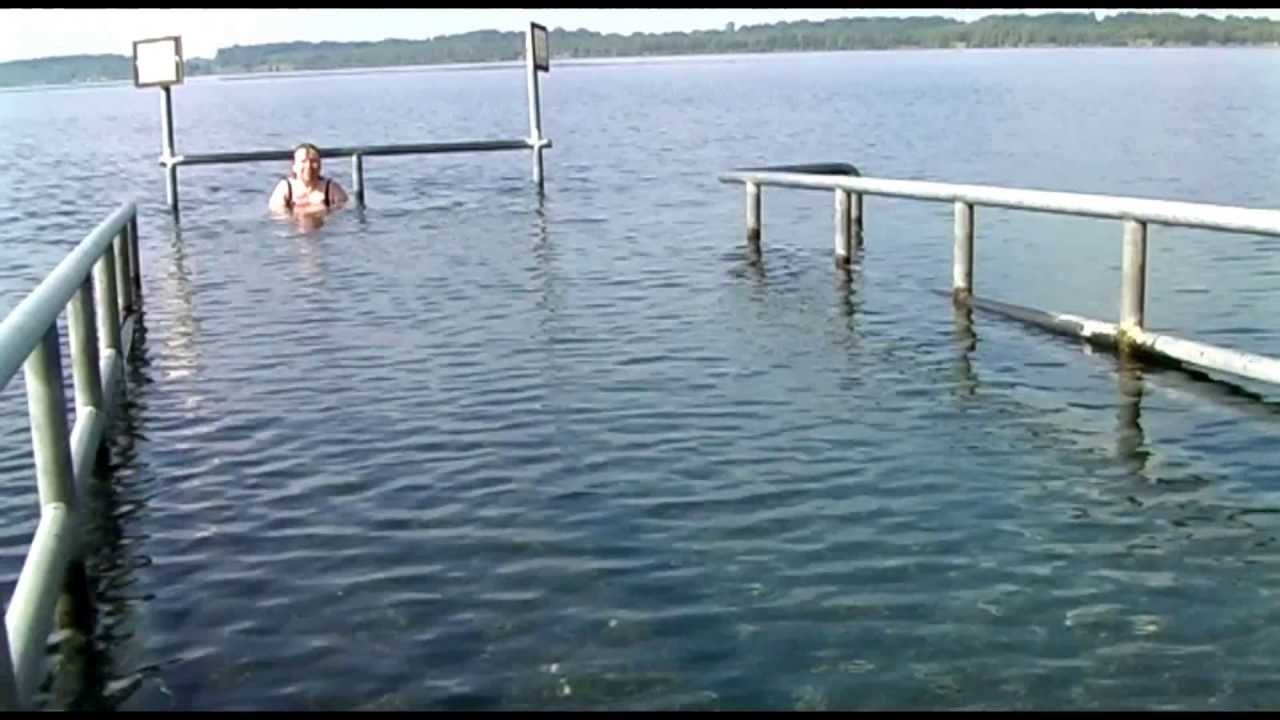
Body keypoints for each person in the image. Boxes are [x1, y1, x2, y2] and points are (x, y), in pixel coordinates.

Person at [269, 143, 350, 215]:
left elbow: (344, 213)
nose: (308, 166)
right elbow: (277, 215)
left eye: (313, 161)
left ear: (320, 165)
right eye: (303, 161)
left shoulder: (332, 189)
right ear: (294, 166)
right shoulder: (285, 188)